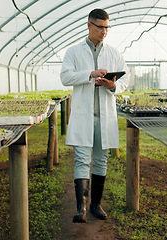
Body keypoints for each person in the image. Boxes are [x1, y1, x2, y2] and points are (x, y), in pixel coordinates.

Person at [60, 9, 130, 223]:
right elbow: (65, 77)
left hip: (104, 116)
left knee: (101, 160)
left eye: (107, 27)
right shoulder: (73, 51)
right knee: (82, 159)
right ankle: (80, 209)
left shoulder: (115, 53)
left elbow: (125, 82)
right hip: (84, 115)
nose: (104, 32)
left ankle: (95, 205)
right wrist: (90, 74)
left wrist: (113, 85)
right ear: (89, 25)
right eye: (100, 27)